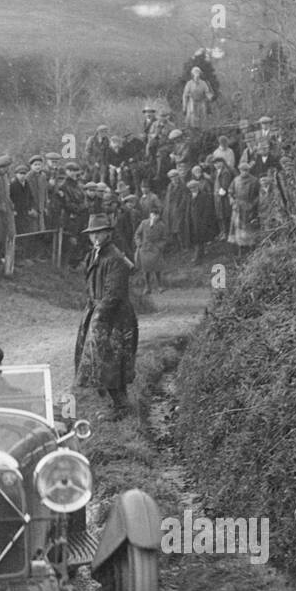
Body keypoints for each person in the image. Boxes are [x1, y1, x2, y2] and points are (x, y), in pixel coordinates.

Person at [73, 215, 138, 419]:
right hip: (98, 312)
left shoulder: (115, 258)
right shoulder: (94, 255)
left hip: (114, 317)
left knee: (111, 361)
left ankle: (121, 406)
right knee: (101, 360)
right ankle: (118, 403)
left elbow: (114, 293)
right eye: (92, 233)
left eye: (100, 232)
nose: (96, 237)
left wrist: (98, 317)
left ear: (108, 233)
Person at [54, 161, 88, 269]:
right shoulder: (64, 186)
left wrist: (83, 207)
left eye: (75, 171)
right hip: (70, 217)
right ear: (66, 171)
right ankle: (65, 266)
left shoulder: (78, 186)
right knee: (70, 241)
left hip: (80, 217)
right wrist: (81, 208)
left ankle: (74, 264)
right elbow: (67, 203)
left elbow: (83, 199)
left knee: (81, 240)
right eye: (71, 171)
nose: (74, 173)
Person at [229, 159, 262, 255]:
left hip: (249, 207)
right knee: (238, 227)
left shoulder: (254, 180)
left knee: (249, 227)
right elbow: (230, 191)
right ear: (239, 170)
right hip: (238, 207)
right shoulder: (236, 180)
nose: (244, 172)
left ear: (249, 170)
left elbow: (258, 194)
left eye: (246, 170)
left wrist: (253, 204)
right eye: (242, 170)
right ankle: (240, 248)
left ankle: (252, 248)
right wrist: (232, 200)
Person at [134, 203, 169, 294]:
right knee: (146, 270)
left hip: (155, 249)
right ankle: (147, 286)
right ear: (150, 215)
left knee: (157, 268)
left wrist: (159, 247)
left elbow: (164, 238)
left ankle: (159, 285)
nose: (154, 217)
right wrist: (139, 244)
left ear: (159, 216)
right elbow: (137, 234)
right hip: (144, 249)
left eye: (156, 215)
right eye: (152, 215)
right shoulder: (144, 223)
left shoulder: (162, 225)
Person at [187, 177, 218, 262]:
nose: (193, 189)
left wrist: (204, 220)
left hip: (201, 220)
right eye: (191, 188)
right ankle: (201, 252)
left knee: (200, 237)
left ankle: (197, 256)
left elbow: (208, 209)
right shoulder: (189, 197)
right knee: (196, 237)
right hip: (193, 220)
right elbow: (188, 209)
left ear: (198, 187)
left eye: (194, 187)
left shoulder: (204, 196)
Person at [181, 65, 213, 131]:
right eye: (195, 73)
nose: (197, 75)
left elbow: (207, 92)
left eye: (198, 73)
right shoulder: (189, 84)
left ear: (200, 74)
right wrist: (184, 107)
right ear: (192, 75)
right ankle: (191, 130)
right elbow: (185, 95)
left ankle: (202, 130)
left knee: (202, 117)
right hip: (192, 103)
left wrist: (209, 96)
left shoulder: (203, 83)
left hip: (201, 102)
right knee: (191, 117)